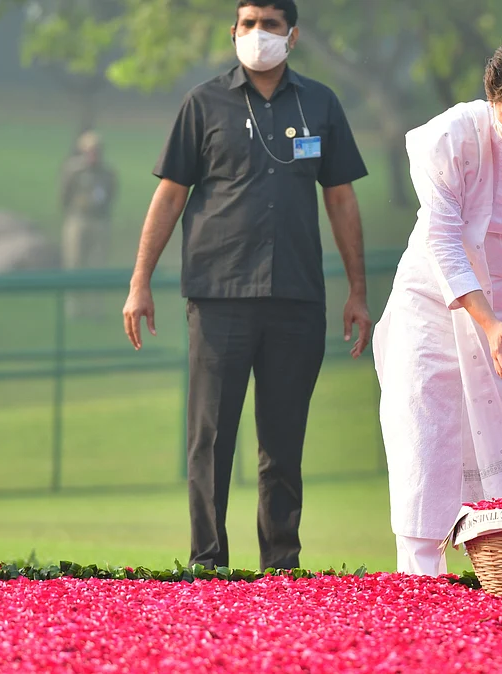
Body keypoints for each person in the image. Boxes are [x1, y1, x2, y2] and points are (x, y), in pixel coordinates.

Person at [121, 0, 372, 571]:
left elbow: (340, 198)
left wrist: (357, 291)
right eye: (249, 24)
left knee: (283, 441)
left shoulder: (320, 104)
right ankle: (207, 562)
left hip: (296, 297)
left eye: (272, 25)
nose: (260, 34)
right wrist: (140, 282)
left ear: (293, 35)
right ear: (233, 31)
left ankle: (281, 563)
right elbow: (169, 195)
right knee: (210, 439)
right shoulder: (202, 103)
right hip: (218, 297)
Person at [373, 37, 502, 576]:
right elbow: (443, 238)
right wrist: (485, 323)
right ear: (491, 99)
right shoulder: (448, 136)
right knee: (427, 431)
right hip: (434, 301)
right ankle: (423, 575)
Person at [61, 130, 117, 318]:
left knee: (98, 264)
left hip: (99, 220)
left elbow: (111, 194)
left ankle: (96, 308)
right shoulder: (73, 170)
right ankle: (74, 308)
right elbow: (64, 195)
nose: (94, 154)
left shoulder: (107, 173)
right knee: (75, 263)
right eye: (90, 150)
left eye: (97, 150)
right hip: (78, 220)